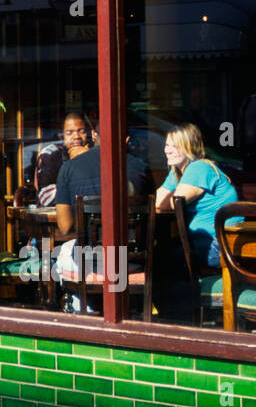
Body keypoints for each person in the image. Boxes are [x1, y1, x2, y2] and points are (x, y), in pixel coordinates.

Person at [51, 135, 154, 311]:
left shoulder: (69, 168)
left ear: (93, 135)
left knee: (57, 256)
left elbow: (65, 226)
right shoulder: (142, 168)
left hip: (91, 262)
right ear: (127, 139)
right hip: (132, 264)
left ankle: (83, 309)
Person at [155, 123, 240, 269]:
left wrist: (167, 197)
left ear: (189, 147)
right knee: (158, 253)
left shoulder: (199, 167)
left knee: (158, 259)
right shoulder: (178, 171)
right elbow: (157, 202)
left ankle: (188, 291)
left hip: (220, 245)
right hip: (205, 240)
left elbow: (171, 203)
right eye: (167, 145)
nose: (167, 151)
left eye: (174, 146)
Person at [34, 112, 92, 207]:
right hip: (54, 218)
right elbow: (46, 198)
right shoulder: (50, 154)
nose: (76, 136)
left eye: (81, 131)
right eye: (69, 133)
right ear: (61, 136)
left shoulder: (92, 152)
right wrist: (76, 164)